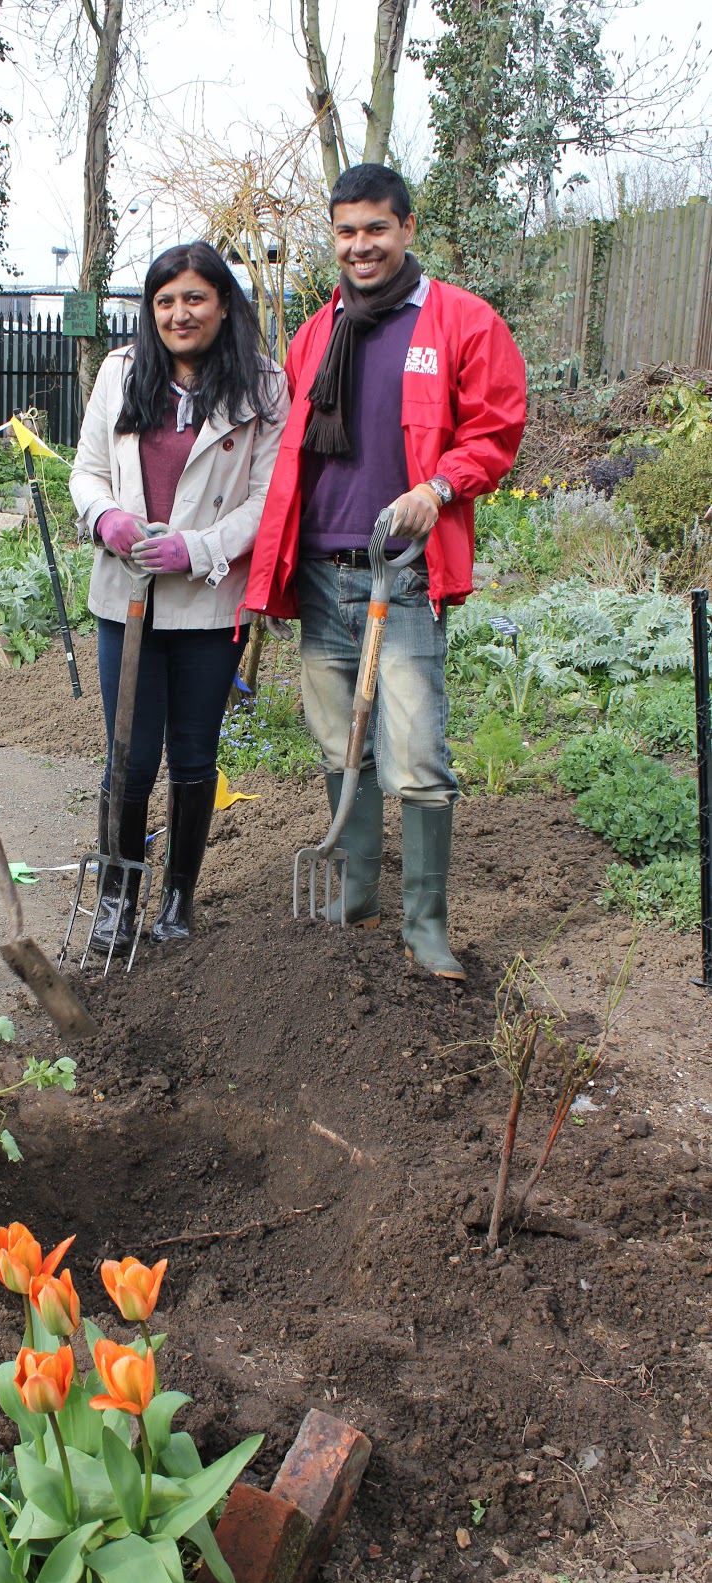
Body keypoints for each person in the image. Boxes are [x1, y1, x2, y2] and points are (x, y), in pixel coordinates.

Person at [244, 164, 526, 980]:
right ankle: (357, 895)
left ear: (406, 228)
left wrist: (438, 488)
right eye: (346, 231)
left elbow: (495, 429)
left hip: (401, 573)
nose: (359, 245)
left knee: (418, 760)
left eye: (375, 228)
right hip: (320, 572)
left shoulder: (460, 322)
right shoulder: (315, 333)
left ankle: (426, 926)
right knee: (342, 747)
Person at [69, 241, 288, 952]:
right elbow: (87, 470)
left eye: (194, 298)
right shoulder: (122, 372)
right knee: (128, 756)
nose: (178, 313)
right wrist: (106, 517)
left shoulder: (262, 386)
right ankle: (115, 901)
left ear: (223, 304)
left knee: (193, 753)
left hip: (208, 601)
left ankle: (178, 899)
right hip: (126, 594)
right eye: (164, 301)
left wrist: (197, 548)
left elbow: (268, 497)